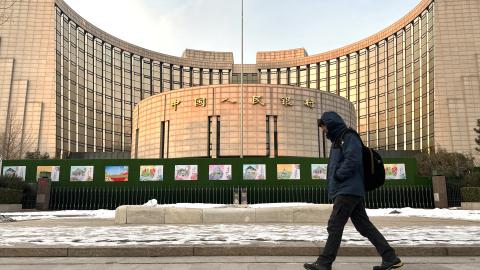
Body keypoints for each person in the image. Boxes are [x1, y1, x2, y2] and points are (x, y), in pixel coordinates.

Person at [304, 111, 403, 270]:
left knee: (335, 225)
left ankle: (324, 263)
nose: (323, 131)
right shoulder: (338, 140)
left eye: (324, 127)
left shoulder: (348, 136)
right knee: (364, 226)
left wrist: (338, 175)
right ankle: (390, 257)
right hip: (349, 189)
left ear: (331, 124)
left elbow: (353, 159)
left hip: (347, 190)